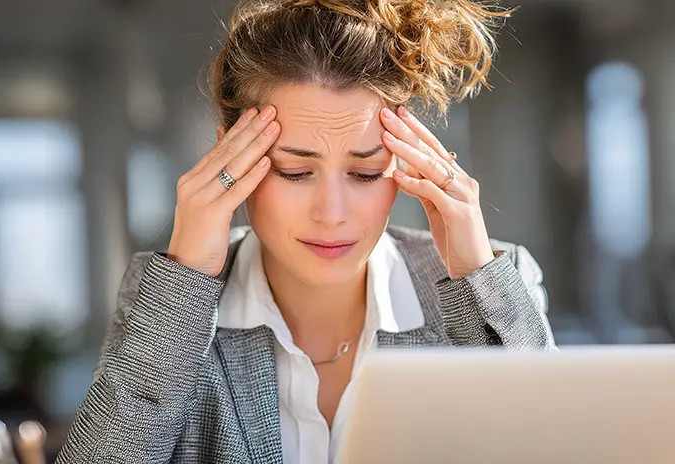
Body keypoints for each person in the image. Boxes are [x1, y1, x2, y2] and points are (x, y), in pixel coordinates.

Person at [56, 0, 556, 462]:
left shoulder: (498, 282)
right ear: (231, 157)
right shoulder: (164, 298)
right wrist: (186, 279)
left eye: (365, 173)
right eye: (294, 172)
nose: (332, 213)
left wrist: (478, 280)